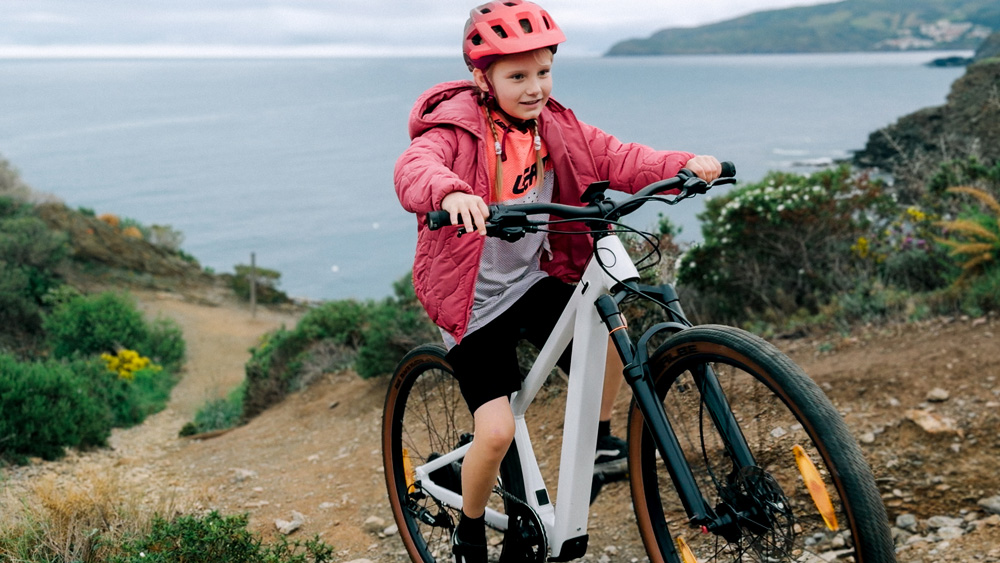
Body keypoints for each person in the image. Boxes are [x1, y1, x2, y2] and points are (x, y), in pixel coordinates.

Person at [394, 1, 721, 561]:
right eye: (516, 76)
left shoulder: (557, 128)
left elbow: (620, 156)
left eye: (542, 72)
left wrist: (682, 163)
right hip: (473, 302)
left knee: (607, 330)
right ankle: (469, 527)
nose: (533, 87)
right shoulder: (456, 127)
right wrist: (448, 192)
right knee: (495, 432)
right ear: (483, 78)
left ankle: (596, 443)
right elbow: (415, 166)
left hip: (532, 279)